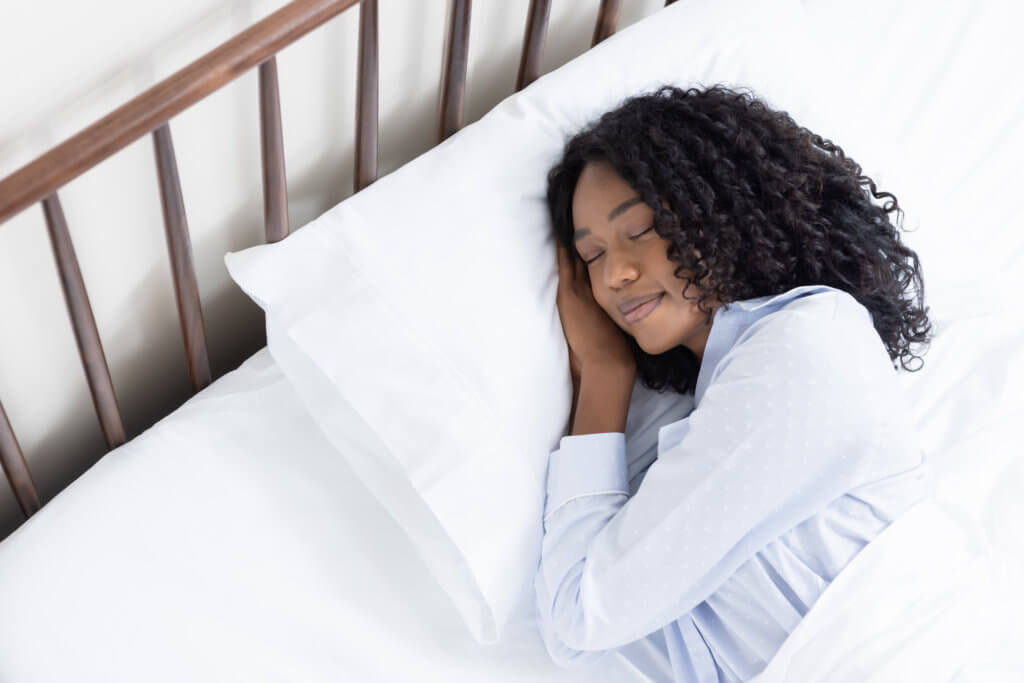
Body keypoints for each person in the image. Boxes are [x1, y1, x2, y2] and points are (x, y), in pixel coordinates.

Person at [534, 84, 933, 682]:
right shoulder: (700, 409)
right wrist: (610, 374)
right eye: (590, 257)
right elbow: (581, 633)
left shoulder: (804, 350)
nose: (615, 274)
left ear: (716, 209)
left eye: (639, 229)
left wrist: (604, 376)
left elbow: (580, 614)